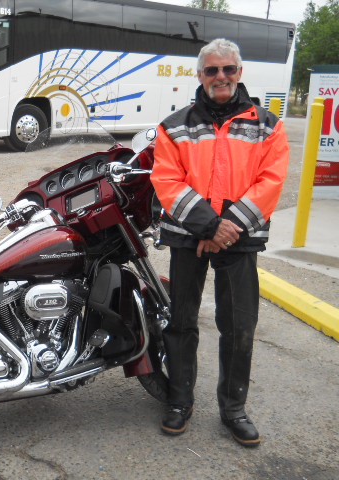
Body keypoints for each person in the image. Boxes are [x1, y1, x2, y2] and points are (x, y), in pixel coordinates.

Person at [150, 38, 289, 447]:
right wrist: (210, 227)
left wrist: (226, 228)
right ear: (200, 75)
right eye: (212, 70)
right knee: (180, 323)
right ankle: (179, 401)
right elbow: (167, 181)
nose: (221, 76)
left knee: (240, 327)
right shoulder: (173, 126)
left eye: (228, 69)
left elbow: (271, 182)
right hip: (189, 238)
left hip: (238, 241)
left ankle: (234, 410)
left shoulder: (268, 125)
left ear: (239, 73)